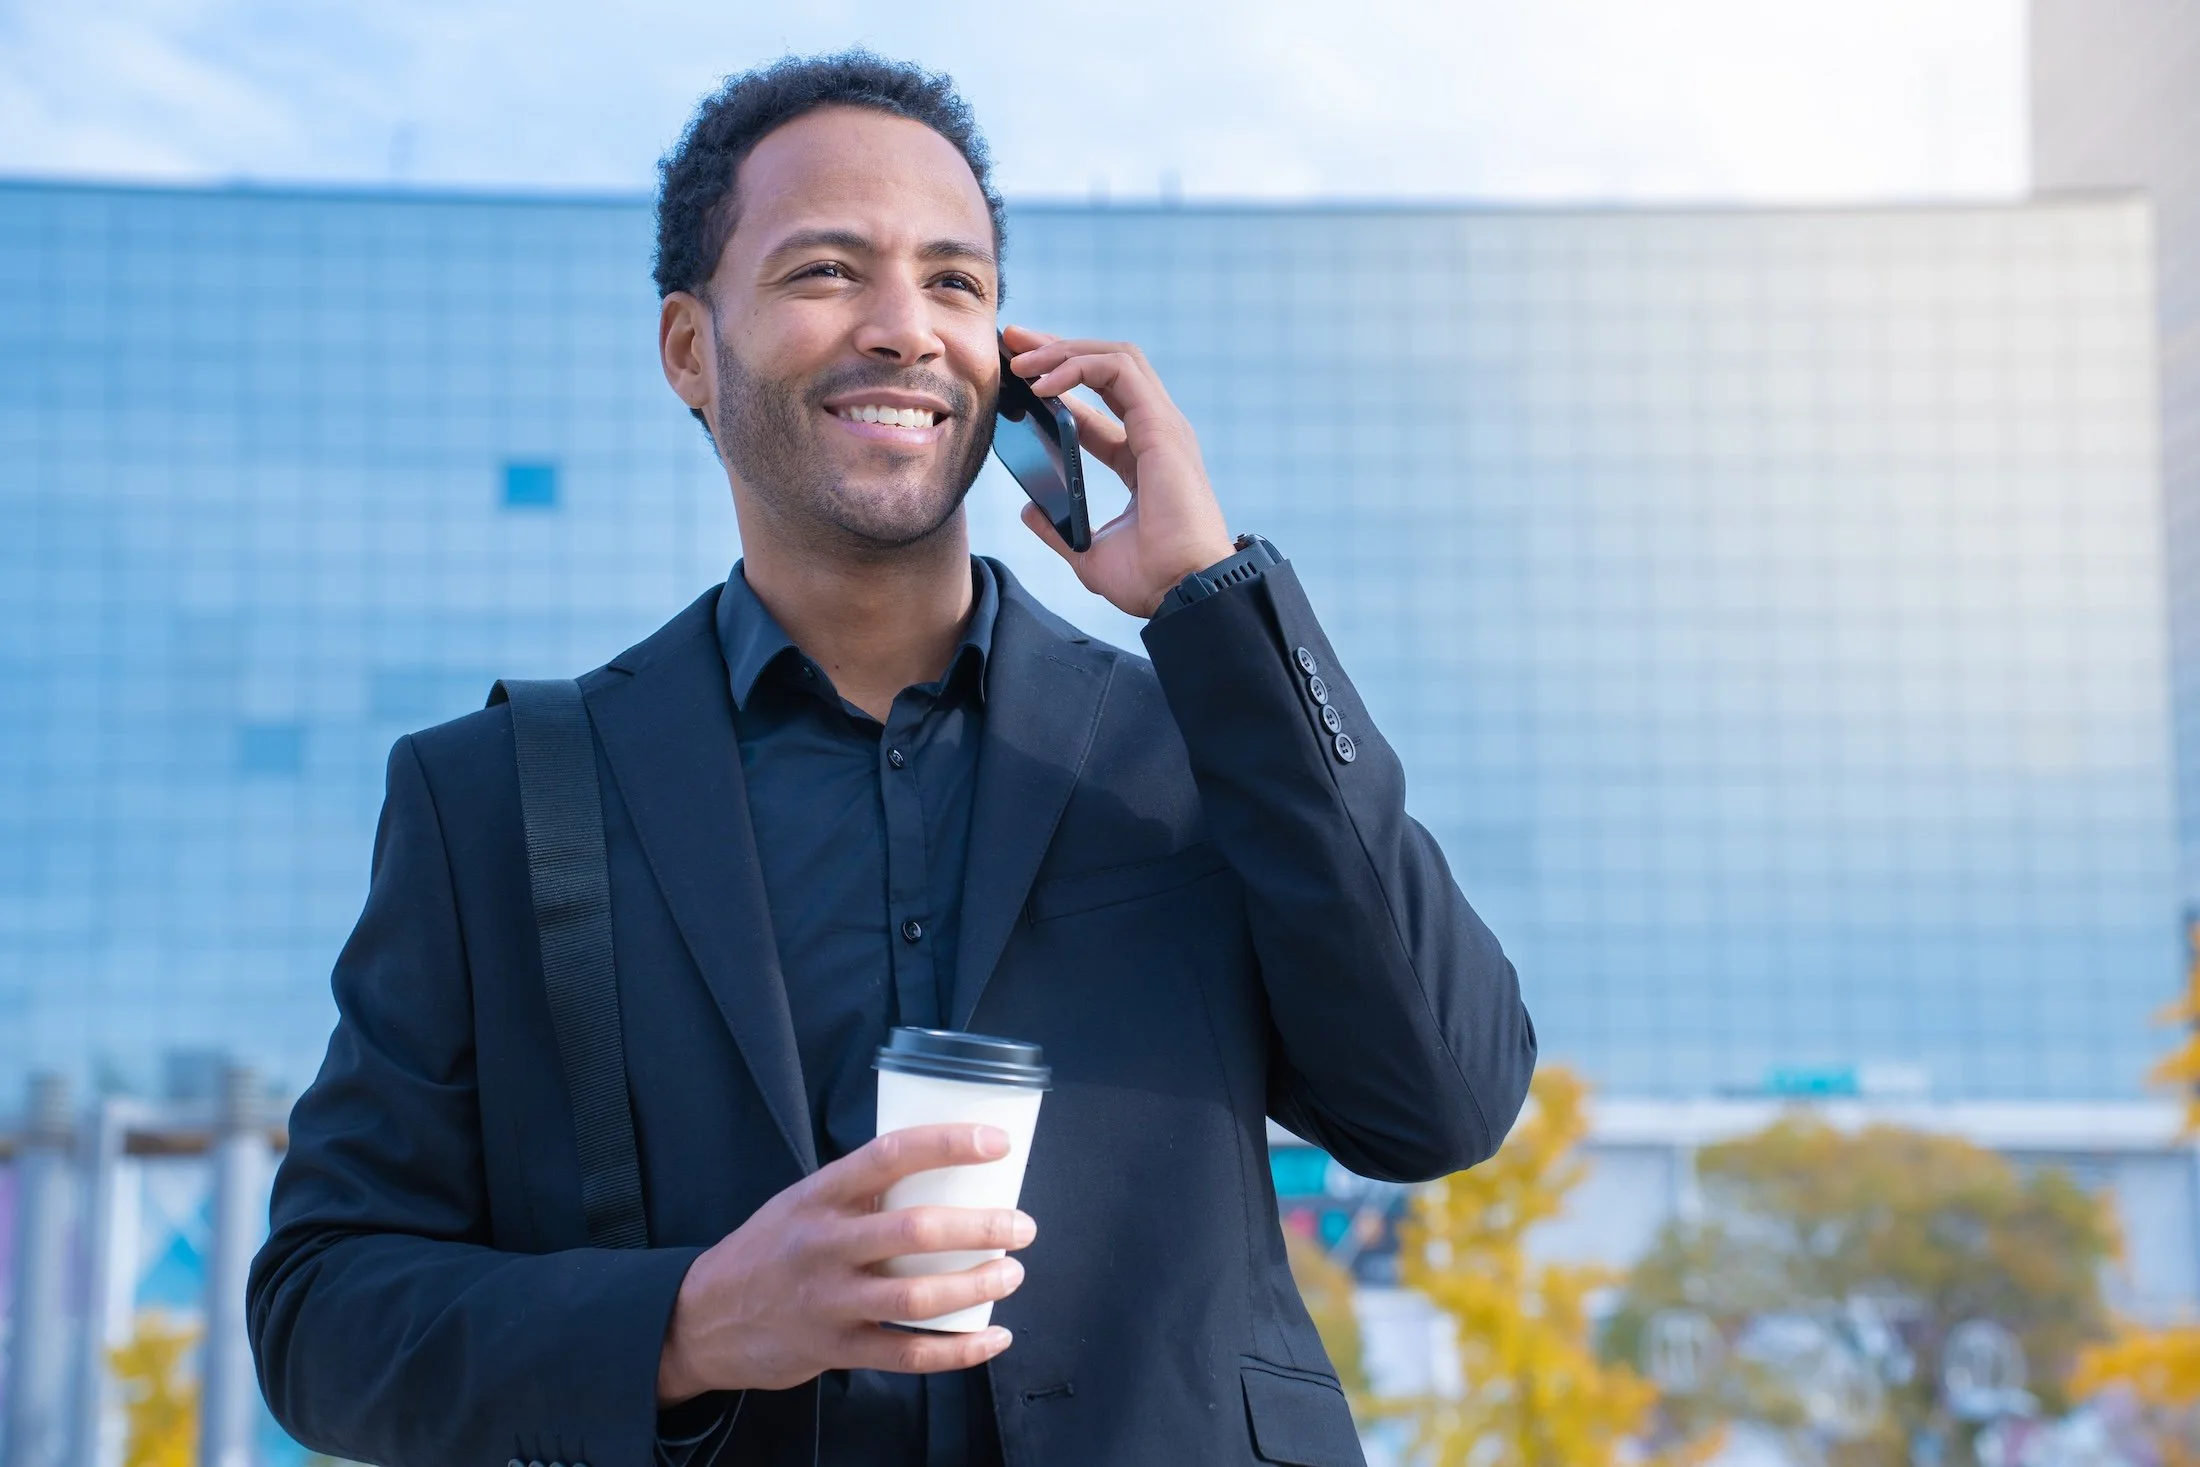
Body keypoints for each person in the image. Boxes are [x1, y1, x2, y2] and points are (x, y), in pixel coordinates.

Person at [248, 50, 1535, 1467]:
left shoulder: (1198, 741)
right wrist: (692, 1319)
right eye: (823, 272)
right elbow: (324, 1311)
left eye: (955, 282)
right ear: (690, 347)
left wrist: (1214, 604)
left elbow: (1444, 1097)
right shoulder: (494, 795)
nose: (904, 328)